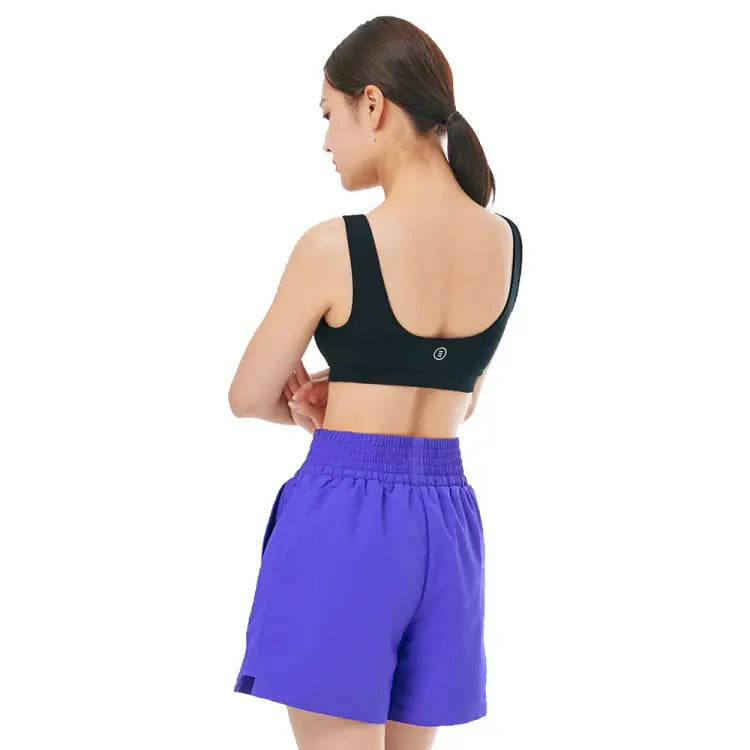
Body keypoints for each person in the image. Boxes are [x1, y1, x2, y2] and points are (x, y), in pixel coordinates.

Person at [227, 15, 522, 750]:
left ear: (373, 103)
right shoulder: (504, 242)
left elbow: (247, 395)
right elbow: (463, 396)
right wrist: (359, 383)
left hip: (346, 523)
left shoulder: (336, 246)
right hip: (447, 528)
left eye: (328, 115)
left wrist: (309, 408)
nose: (326, 141)